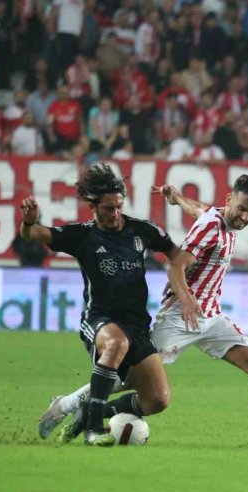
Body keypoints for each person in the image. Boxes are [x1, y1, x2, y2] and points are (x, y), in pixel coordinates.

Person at [40, 175, 248, 450]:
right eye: (241, 209)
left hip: (211, 318)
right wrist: (187, 299)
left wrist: (177, 198)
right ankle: (67, 405)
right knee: (132, 377)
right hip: (181, 315)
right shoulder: (209, 227)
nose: (244, 217)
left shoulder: (219, 218)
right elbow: (176, 265)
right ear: (229, 200)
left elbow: (200, 209)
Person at [20, 163, 199, 446]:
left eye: (118, 206)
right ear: (93, 207)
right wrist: (30, 222)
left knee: (157, 400)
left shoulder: (143, 230)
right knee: (116, 344)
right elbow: (34, 235)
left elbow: (177, 256)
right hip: (100, 319)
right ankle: (94, 428)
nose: (115, 214)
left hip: (138, 325)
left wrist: (181, 282)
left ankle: (87, 410)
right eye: (107, 208)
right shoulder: (82, 236)